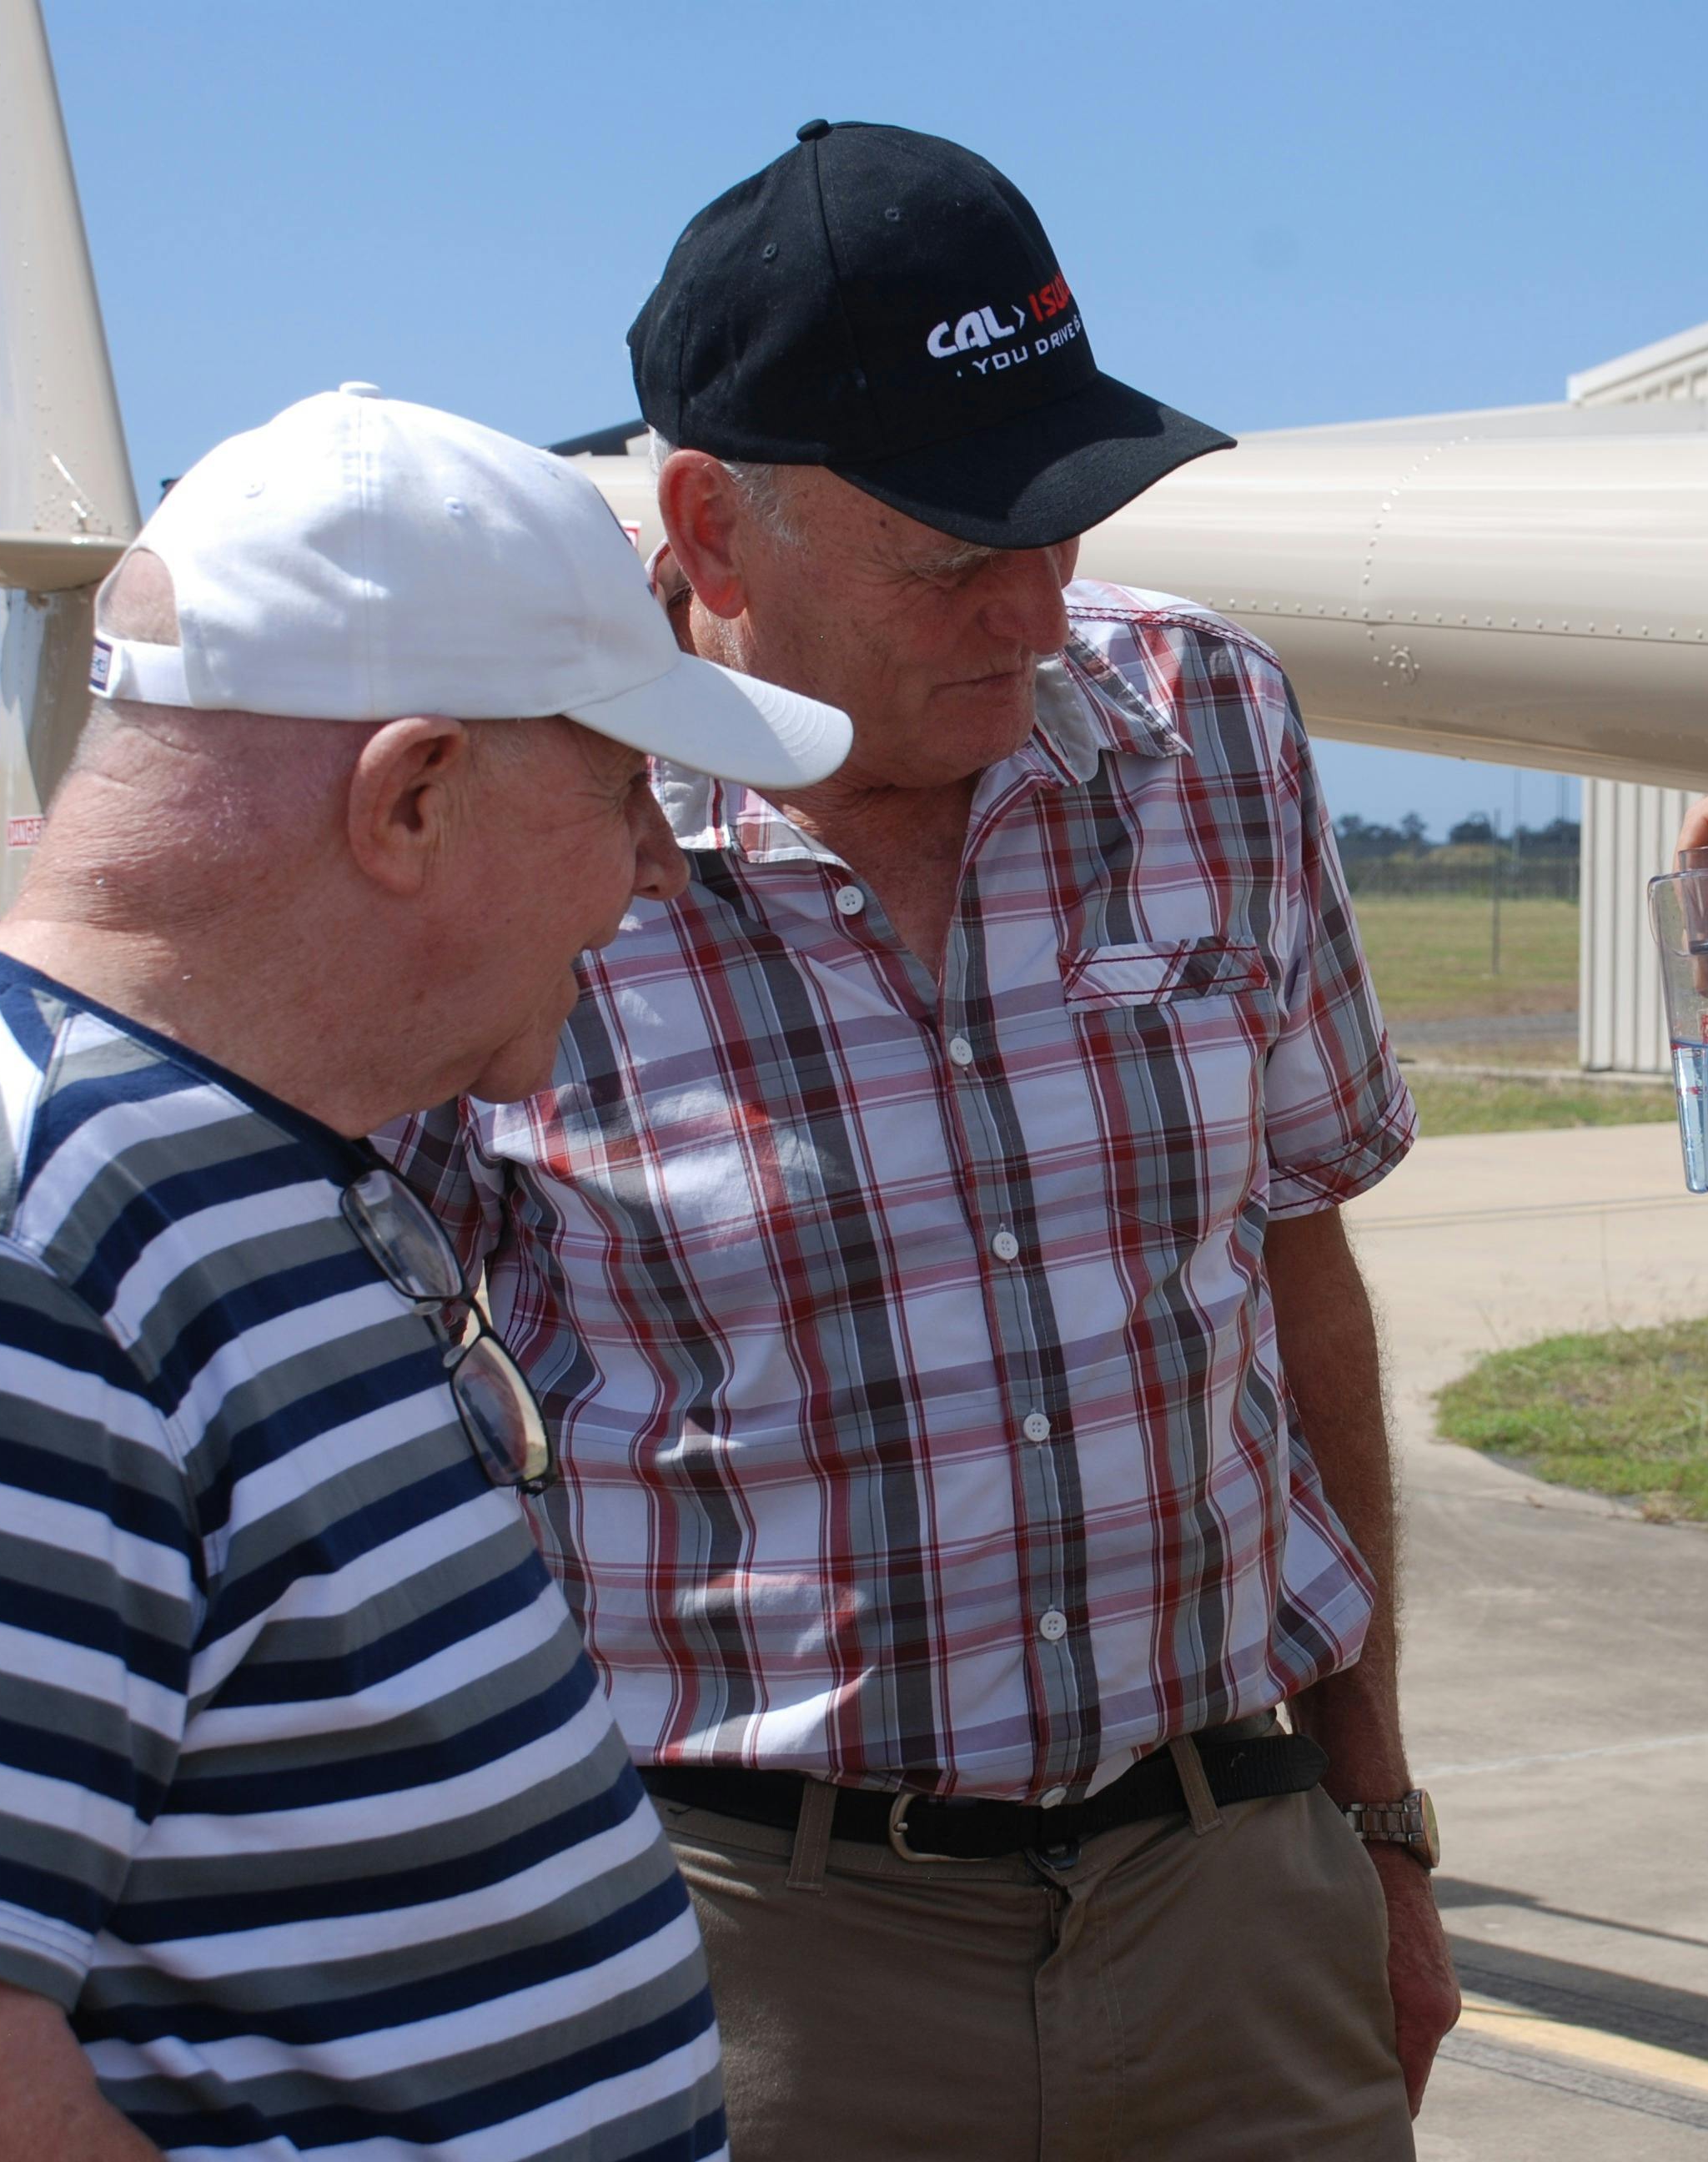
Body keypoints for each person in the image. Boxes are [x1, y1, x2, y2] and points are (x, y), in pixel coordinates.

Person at [387, 123, 1454, 2159]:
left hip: (1233, 1897)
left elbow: (1292, 1255)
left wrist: (1377, 1821)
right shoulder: (508, 822)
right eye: (958, 558)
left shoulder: (1208, 725)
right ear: (710, 528)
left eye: (1063, 523)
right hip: (749, 1957)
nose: (1040, 611)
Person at [0, 385, 851, 2159]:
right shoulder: (3, 1257)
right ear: (412, 798)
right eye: (617, 789)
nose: (657, 869)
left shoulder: (205, 1151)